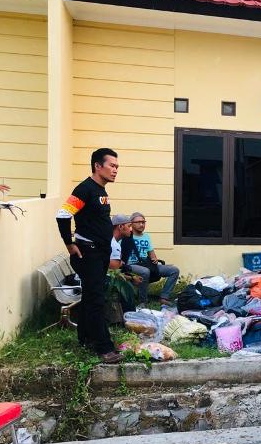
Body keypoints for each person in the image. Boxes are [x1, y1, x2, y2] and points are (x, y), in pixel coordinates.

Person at [56, 148, 123, 363]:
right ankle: (104, 348)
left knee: (90, 297)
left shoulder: (100, 190)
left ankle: (85, 338)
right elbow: (63, 215)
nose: (115, 170)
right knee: (96, 300)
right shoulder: (85, 189)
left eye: (117, 167)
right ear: (97, 166)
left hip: (100, 253)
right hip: (88, 253)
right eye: (112, 165)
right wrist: (69, 244)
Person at [126, 212, 180, 306]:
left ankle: (164, 297)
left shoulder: (146, 236)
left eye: (143, 222)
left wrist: (154, 258)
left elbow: (151, 253)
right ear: (131, 223)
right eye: (138, 222)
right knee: (145, 271)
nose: (141, 224)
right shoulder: (126, 236)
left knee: (174, 270)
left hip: (145, 263)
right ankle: (143, 301)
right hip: (131, 264)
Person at [109, 214, 140, 311]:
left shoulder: (112, 241)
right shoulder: (114, 244)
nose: (131, 230)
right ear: (120, 226)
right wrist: (132, 278)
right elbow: (114, 273)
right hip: (97, 281)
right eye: (129, 226)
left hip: (94, 277)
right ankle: (129, 315)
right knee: (126, 285)